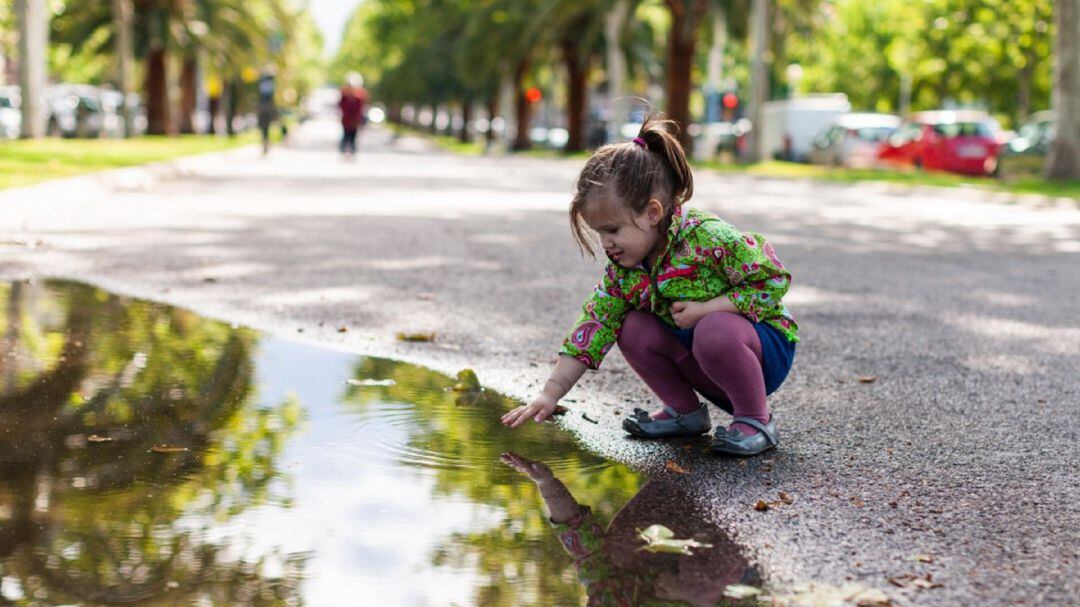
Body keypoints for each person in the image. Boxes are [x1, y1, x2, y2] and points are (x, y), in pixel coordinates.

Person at [501, 114, 798, 456]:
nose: (605, 243)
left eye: (612, 230)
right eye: (598, 233)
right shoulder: (625, 270)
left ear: (652, 212)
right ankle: (684, 412)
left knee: (713, 329)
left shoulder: (707, 238)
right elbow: (593, 326)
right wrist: (549, 394)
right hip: (704, 357)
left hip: (760, 352)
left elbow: (773, 278)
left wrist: (709, 308)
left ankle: (756, 420)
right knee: (629, 327)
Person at [501, 452, 758, 605]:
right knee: (702, 585)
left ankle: (678, 479)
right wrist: (692, 594)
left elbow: (579, 538)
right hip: (728, 556)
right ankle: (727, 514)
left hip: (673, 502)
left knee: (614, 553)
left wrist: (546, 482)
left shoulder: (609, 597)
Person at [338, 83, 367, 159]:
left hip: (355, 122)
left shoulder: (358, 99)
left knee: (353, 137)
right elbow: (341, 107)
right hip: (346, 121)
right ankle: (343, 152)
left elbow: (360, 110)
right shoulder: (344, 98)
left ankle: (353, 153)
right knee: (345, 136)